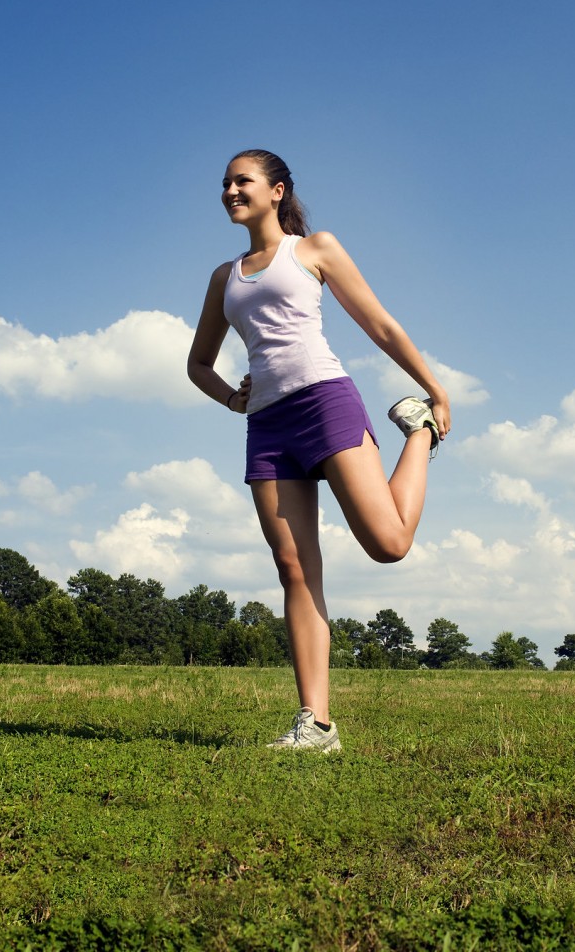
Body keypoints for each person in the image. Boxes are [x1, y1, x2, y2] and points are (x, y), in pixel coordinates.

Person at [187, 149, 451, 752]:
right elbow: (197, 364)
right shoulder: (223, 278)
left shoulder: (313, 249)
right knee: (295, 569)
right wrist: (233, 399)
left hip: (325, 402)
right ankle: (317, 723)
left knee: (388, 545)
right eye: (225, 183)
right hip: (268, 426)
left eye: (242, 181)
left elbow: (378, 323)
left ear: (277, 190)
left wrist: (435, 390)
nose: (230, 190)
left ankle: (418, 434)